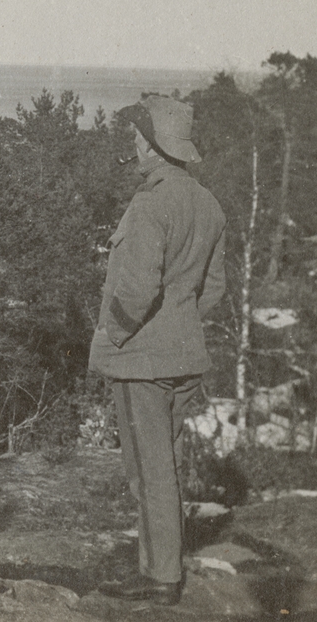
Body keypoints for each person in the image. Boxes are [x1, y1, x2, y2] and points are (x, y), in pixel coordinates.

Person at [88, 94, 226, 606]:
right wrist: (179, 326)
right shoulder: (207, 203)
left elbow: (136, 290)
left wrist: (116, 338)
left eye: (137, 136)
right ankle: (161, 566)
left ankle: (160, 577)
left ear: (152, 146)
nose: (133, 143)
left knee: (149, 472)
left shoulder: (151, 202)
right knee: (162, 462)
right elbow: (213, 289)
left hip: (143, 361)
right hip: (185, 358)